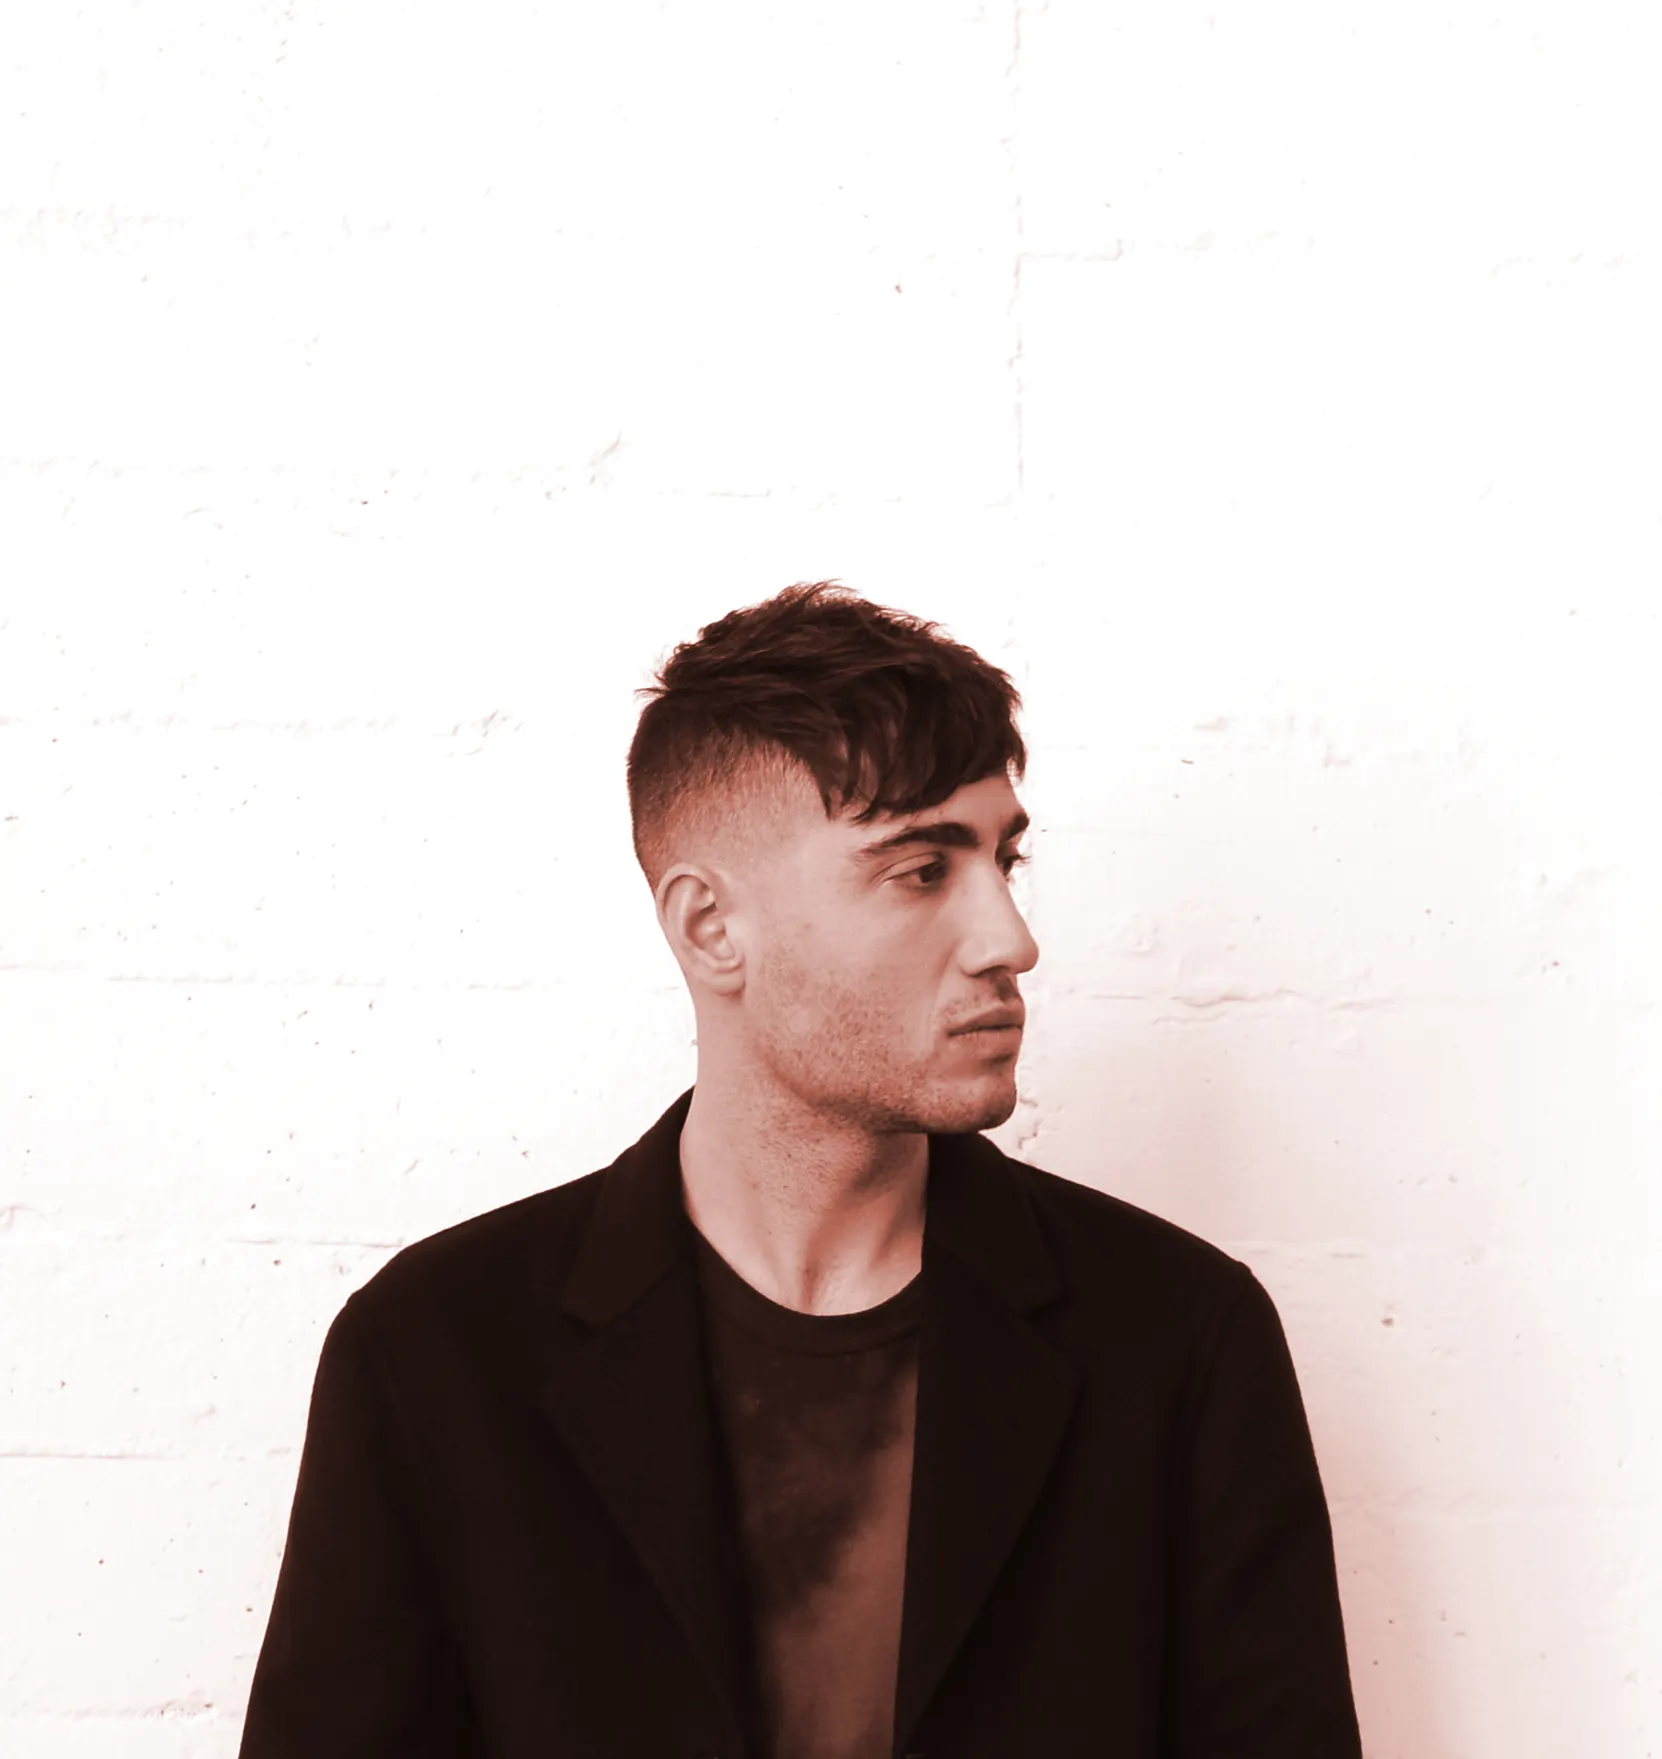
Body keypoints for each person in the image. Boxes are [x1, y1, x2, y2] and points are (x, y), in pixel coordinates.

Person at [238, 581, 1363, 1758]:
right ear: (711, 928)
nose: (1011, 939)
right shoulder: (436, 1353)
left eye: (1004, 859)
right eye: (922, 869)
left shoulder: (1180, 1337)